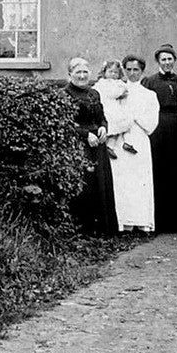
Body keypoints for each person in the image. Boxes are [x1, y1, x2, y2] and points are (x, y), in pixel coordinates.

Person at [96, 57, 159, 233]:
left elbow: (151, 123)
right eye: (129, 69)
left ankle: (142, 222)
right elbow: (107, 109)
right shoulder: (116, 90)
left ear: (142, 71)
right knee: (122, 181)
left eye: (136, 70)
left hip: (139, 138)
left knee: (140, 180)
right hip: (119, 139)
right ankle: (124, 222)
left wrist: (134, 116)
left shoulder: (149, 95)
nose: (132, 73)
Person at [142, 44, 177, 233]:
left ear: (174, 60)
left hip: (176, 130)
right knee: (158, 172)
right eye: (163, 59)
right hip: (155, 129)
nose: (166, 62)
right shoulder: (149, 81)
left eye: (169, 59)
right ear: (158, 61)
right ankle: (158, 223)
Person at [65, 57, 117, 235]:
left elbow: (102, 117)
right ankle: (83, 230)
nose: (82, 76)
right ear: (70, 74)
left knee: (100, 184)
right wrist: (85, 134)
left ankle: (101, 229)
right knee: (85, 185)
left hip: (98, 145)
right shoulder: (65, 94)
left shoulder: (94, 93)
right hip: (79, 145)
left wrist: (103, 127)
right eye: (78, 72)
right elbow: (66, 123)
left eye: (85, 72)